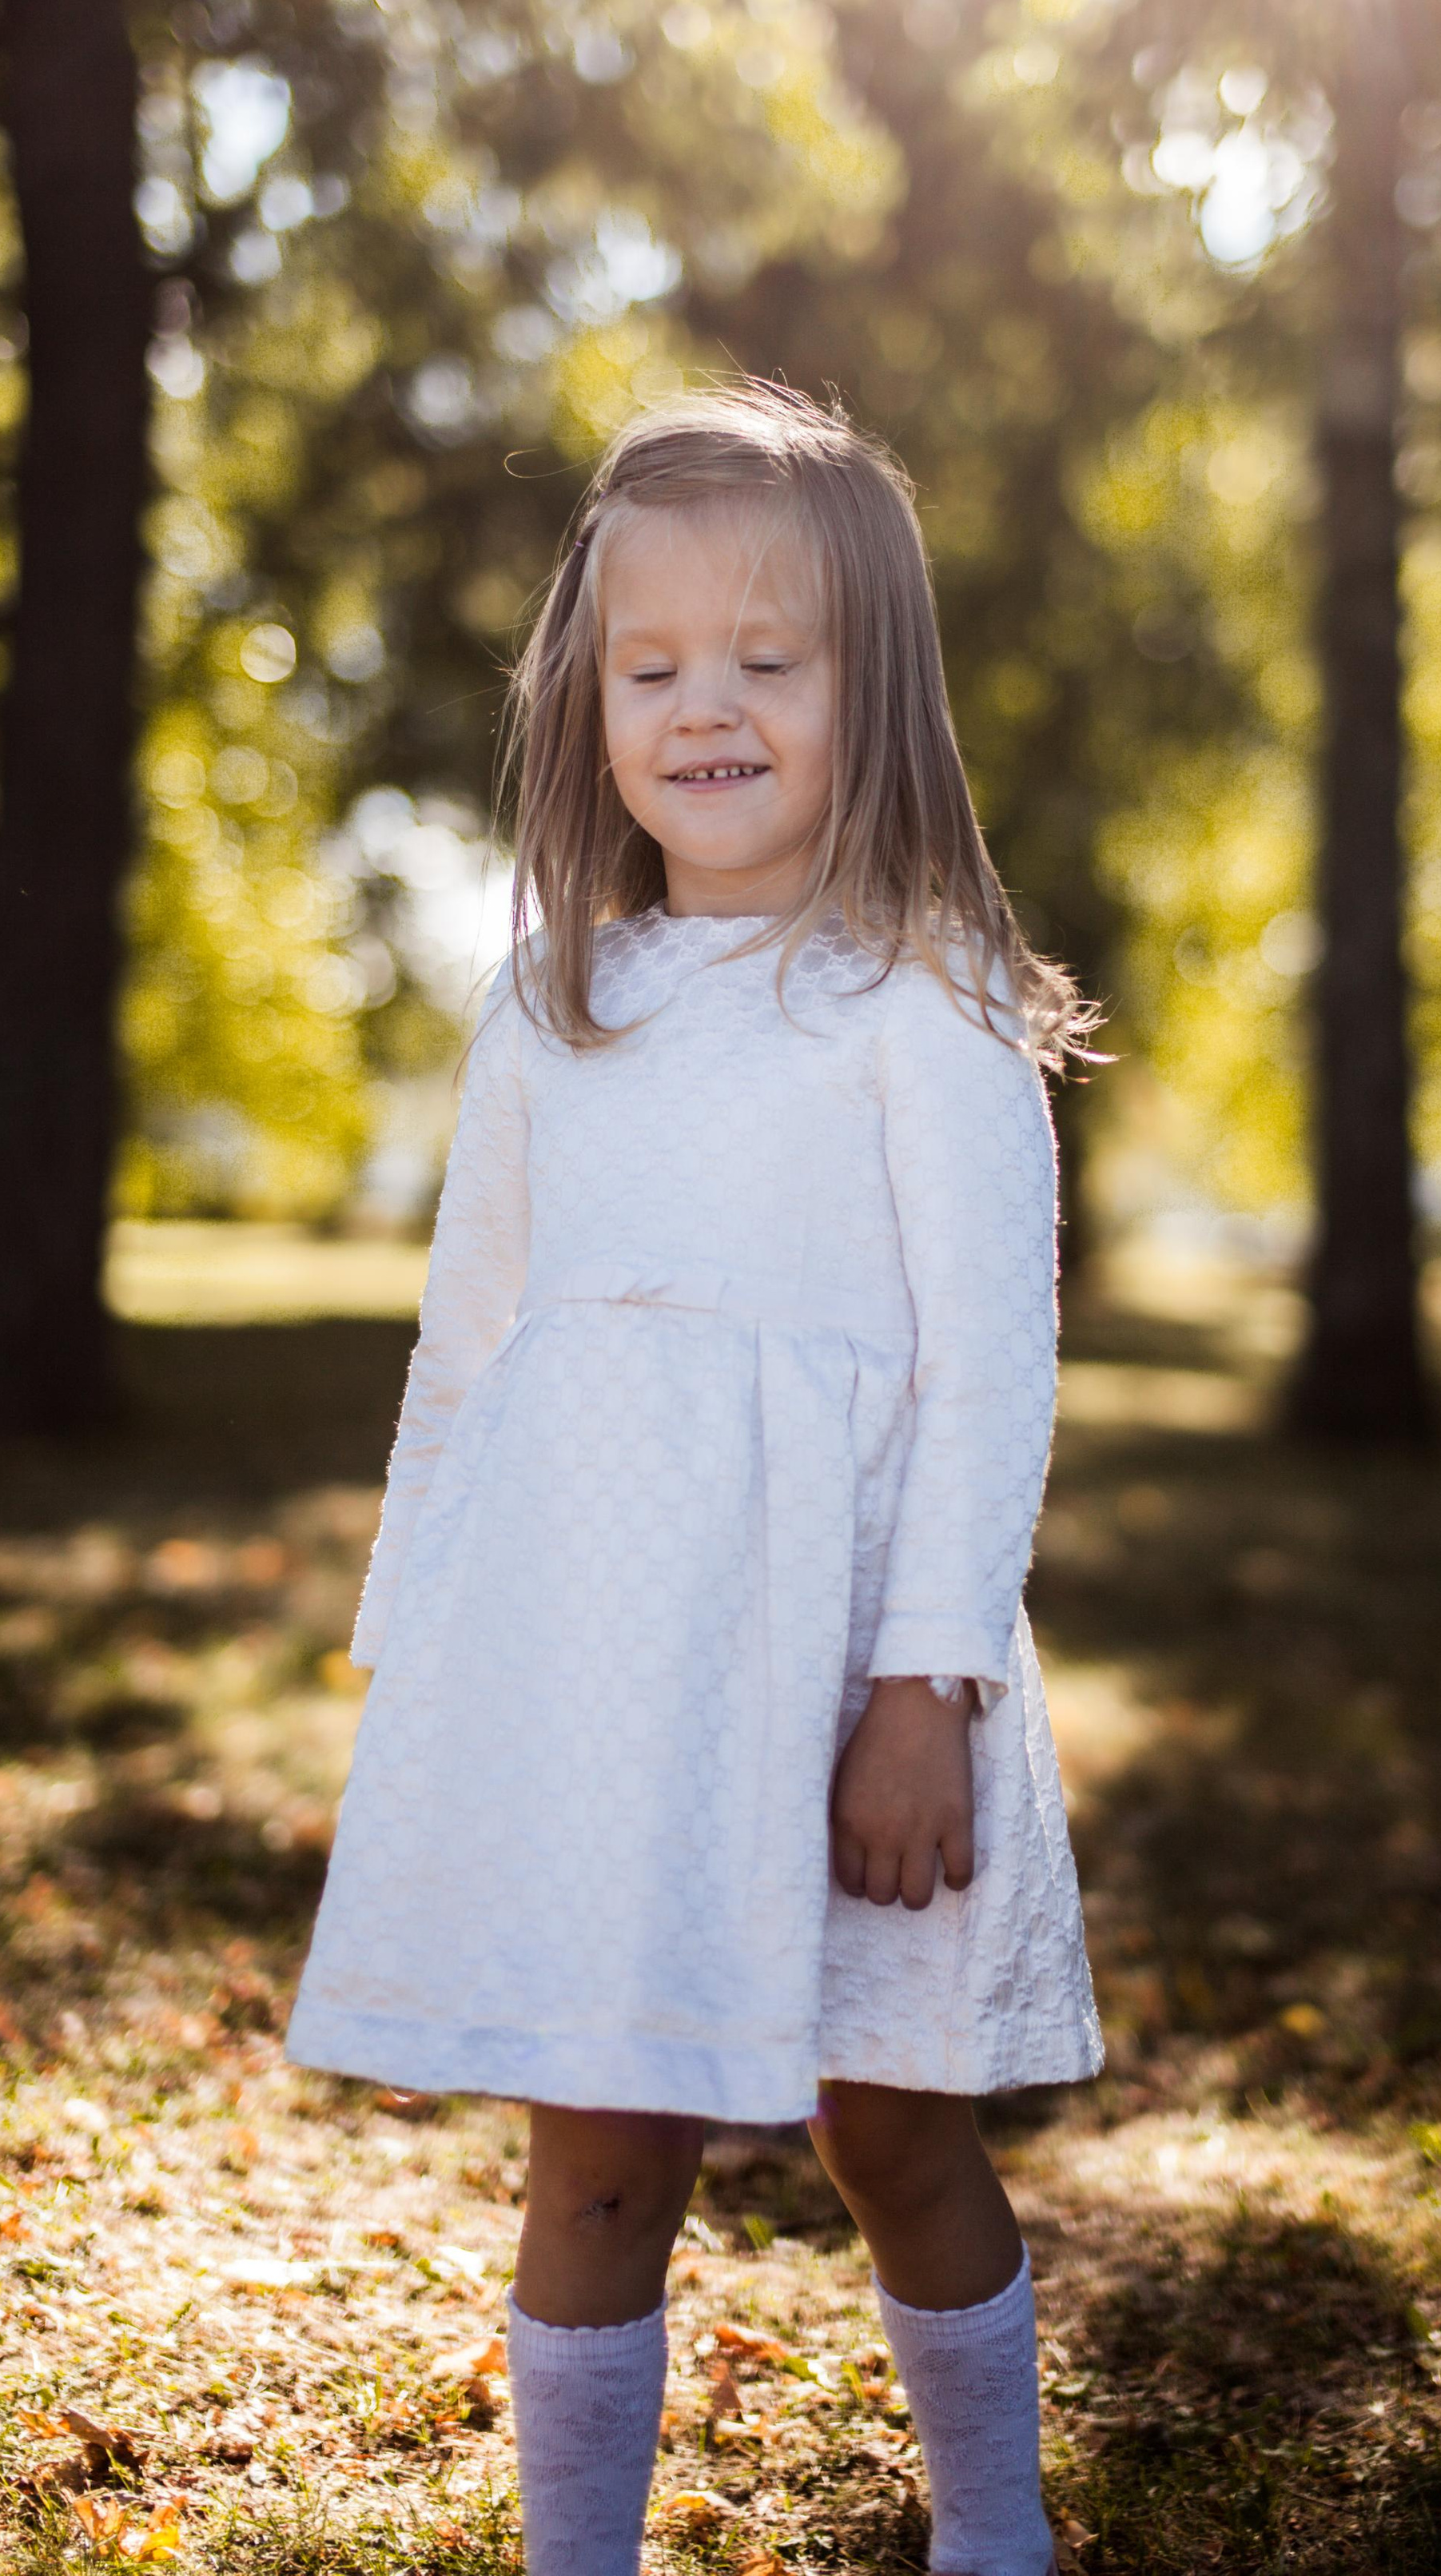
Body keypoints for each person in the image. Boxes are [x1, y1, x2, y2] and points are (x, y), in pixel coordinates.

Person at [286, 379, 1101, 2576]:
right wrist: (417, 1645)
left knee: (889, 2131)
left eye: (768, 659)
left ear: (875, 691)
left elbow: (987, 1372)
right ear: (587, 701)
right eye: (651, 667)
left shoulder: (914, 1006)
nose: (704, 707)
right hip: (604, 1687)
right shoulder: (554, 1005)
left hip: (853, 1685)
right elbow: (468, 1346)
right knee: (600, 2153)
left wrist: (927, 1683)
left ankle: (996, 2532)